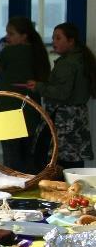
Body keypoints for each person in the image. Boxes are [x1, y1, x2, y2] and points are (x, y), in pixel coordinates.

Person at [27, 22, 96, 169]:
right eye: (53, 38)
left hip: (64, 119)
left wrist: (39, 87)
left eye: (58, 38)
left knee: (59, 161)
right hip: (76, 117)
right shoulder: (80, 59)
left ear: (71, 41)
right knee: (74, 162)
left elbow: (62, 93)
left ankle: (57, 189)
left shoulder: (69, 64)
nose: (54, 42)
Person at [0, 16, 51, 173]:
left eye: (11, 34)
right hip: (31, 111)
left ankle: (13, 192)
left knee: (11, 159)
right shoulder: (38, 52)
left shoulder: (8, 52)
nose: (7, 37)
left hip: (7, 111)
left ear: (24, 35)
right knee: (27, 157)